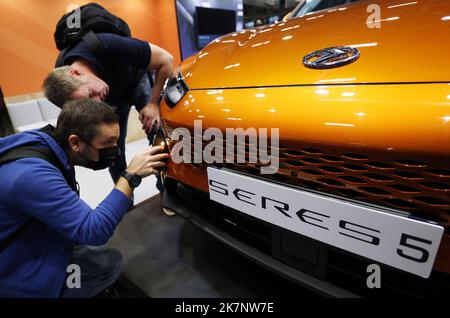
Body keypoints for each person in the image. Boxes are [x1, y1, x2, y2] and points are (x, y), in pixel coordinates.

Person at [0, 99, 167, 297]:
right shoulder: (31, 176)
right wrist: (130, 176)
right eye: (107, 143)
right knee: (107, 266)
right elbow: (94, 231)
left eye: (116, 140)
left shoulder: (46, 143)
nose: (117, 149)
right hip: (13, 273)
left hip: (29, 239)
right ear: (75, 142)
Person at [42, 33, 175, 215]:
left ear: (76, 73)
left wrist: (152, 104)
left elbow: (166, 60)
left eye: (90, 94)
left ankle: (167, 191)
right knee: (112, 152)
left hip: (134, 81)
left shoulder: (106, 45)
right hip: (112, 100)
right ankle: (126, 202)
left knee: (157, 130)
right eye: (88, 100)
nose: (95, 101)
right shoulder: (62, 79)